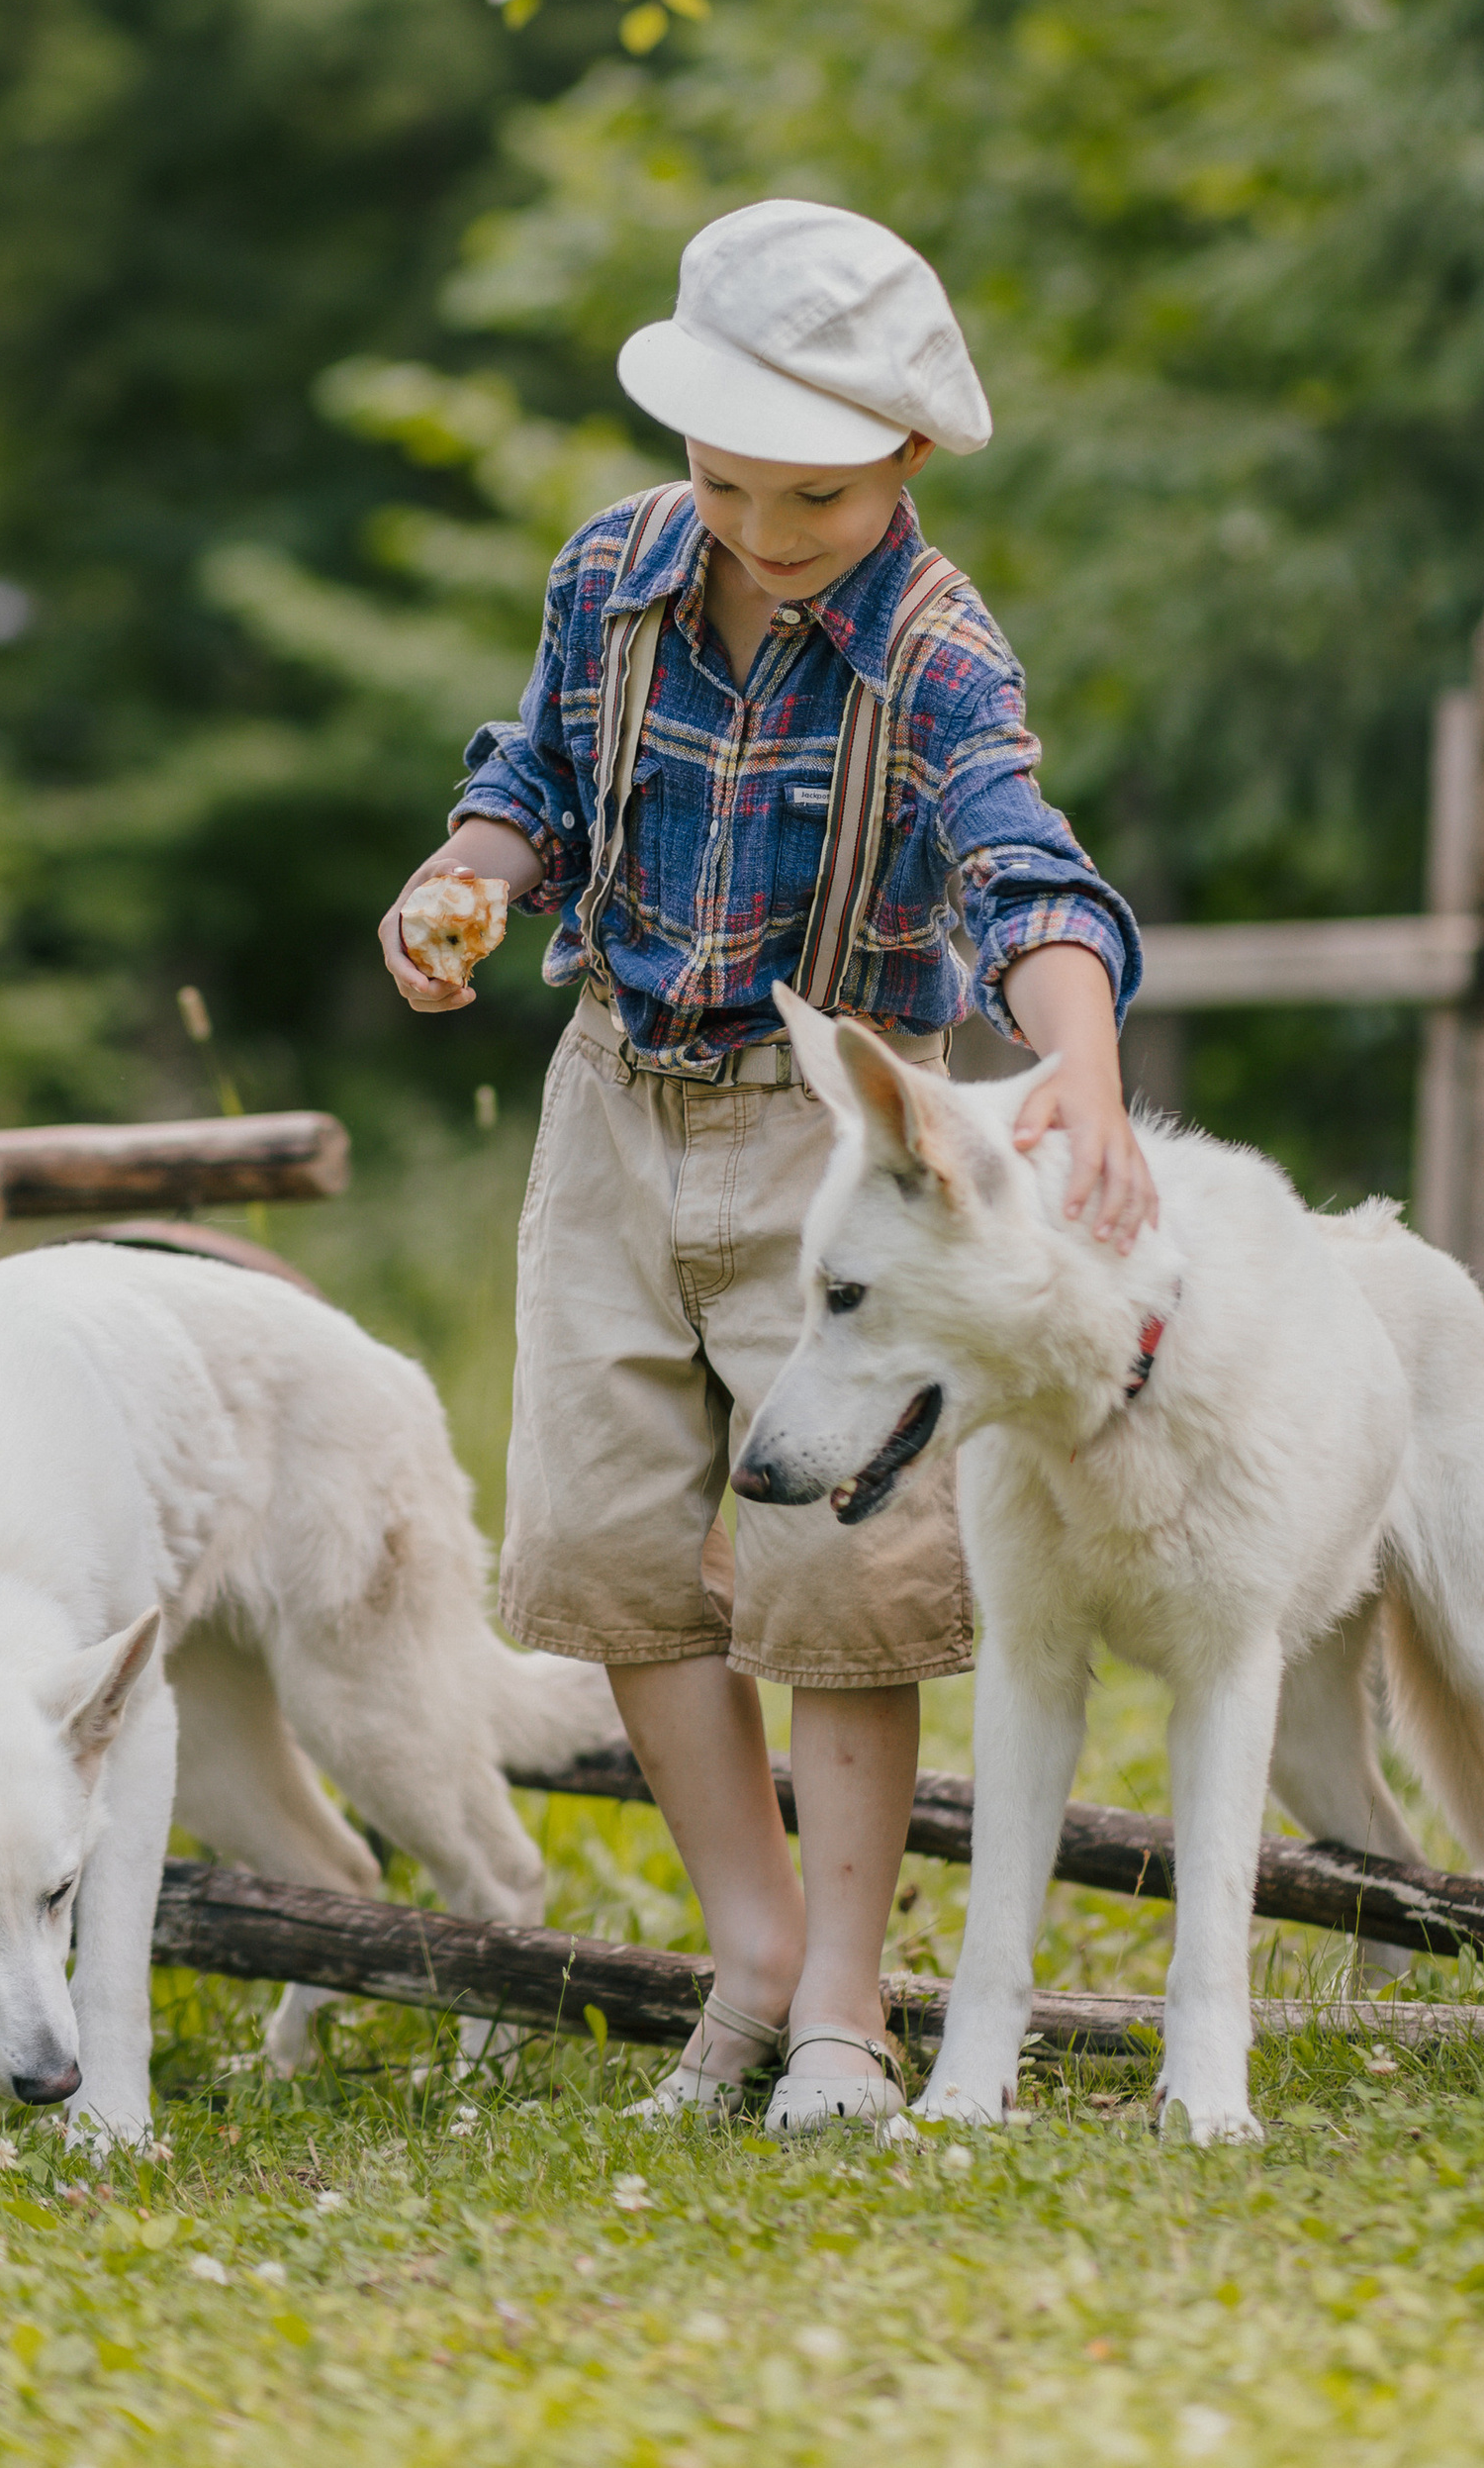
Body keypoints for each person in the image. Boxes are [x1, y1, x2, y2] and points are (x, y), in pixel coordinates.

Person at [378, 198, 1152, 2129]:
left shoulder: (932, 649)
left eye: (806, 495)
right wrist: (462, 882)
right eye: (724, 480)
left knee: (838, 1565)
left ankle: (839, 2007)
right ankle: (748, 1954)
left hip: (831, 1142)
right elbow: (531, 781)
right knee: (606, 1539)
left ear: (899, 458)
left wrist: (1080, 1056)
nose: (757, 530)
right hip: (612, 1102)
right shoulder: (616, 569)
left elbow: (1015, 865)